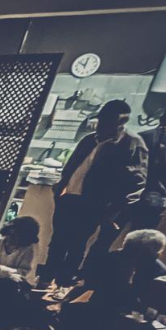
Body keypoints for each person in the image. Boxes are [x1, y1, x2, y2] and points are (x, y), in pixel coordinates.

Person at [42, 100, 147, 288]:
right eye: (101, 121)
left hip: (94, 203)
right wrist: (60, 187)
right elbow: (71, 166)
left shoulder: (131, 144)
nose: (101, 126)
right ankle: (45, 280)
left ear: (120, 123)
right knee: (57, 241)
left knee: (77, 244)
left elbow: (137, 182)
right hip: (69, 197)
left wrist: (115, 210)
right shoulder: (89, 140)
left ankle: (63, 283)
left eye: (107, 122)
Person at [0, 215, 40, 279]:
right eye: (10, 235)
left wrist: (0, 270)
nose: (10, 238)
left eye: (16, 236)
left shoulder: (28, 251)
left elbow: (23, 273)